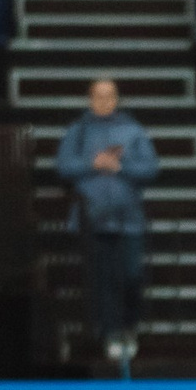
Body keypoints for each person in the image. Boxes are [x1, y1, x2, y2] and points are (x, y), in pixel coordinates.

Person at [52, 78, 161, 372]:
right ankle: (112, 333)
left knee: (131, 274)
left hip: (129, 221)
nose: (103, 102)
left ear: (116, 99)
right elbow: (63, 166)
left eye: (109, 96)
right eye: (98, 96)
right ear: (90, 99)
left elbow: (151, 168)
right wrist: (94, 164)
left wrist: (120, 167)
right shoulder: (78, 131)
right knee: (103, 280)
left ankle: (130, 325)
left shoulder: (133, 131)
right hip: (93, 221)